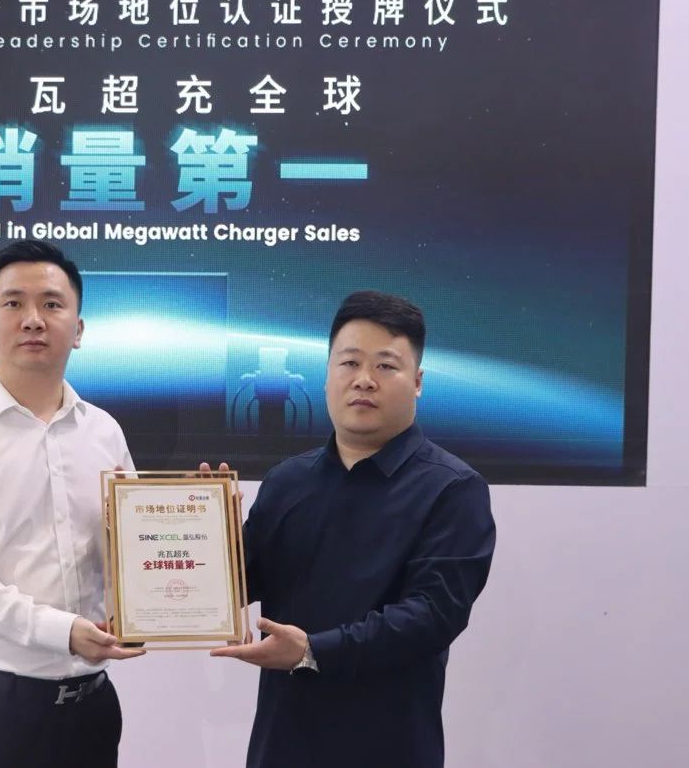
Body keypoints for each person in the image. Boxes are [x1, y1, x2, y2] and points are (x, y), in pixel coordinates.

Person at [211, 290, 496, 768]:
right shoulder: (287, 481)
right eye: (349, 363)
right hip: (283, 743)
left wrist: (312, 651)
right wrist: (205, 530)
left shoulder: (453, 490)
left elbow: (432, 616)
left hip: (389, 745)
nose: (364, 379)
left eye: (385, 365)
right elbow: (237, 585)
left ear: (418, 382)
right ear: (327, 375)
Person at [0, 240, 143, 768]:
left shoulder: (104, 432)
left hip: (91, 710)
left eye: (52, 304)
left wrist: (194, 517)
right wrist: (64, 633)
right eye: (13, 303)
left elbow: (131, 549)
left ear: (78, 330)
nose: (34, 319)